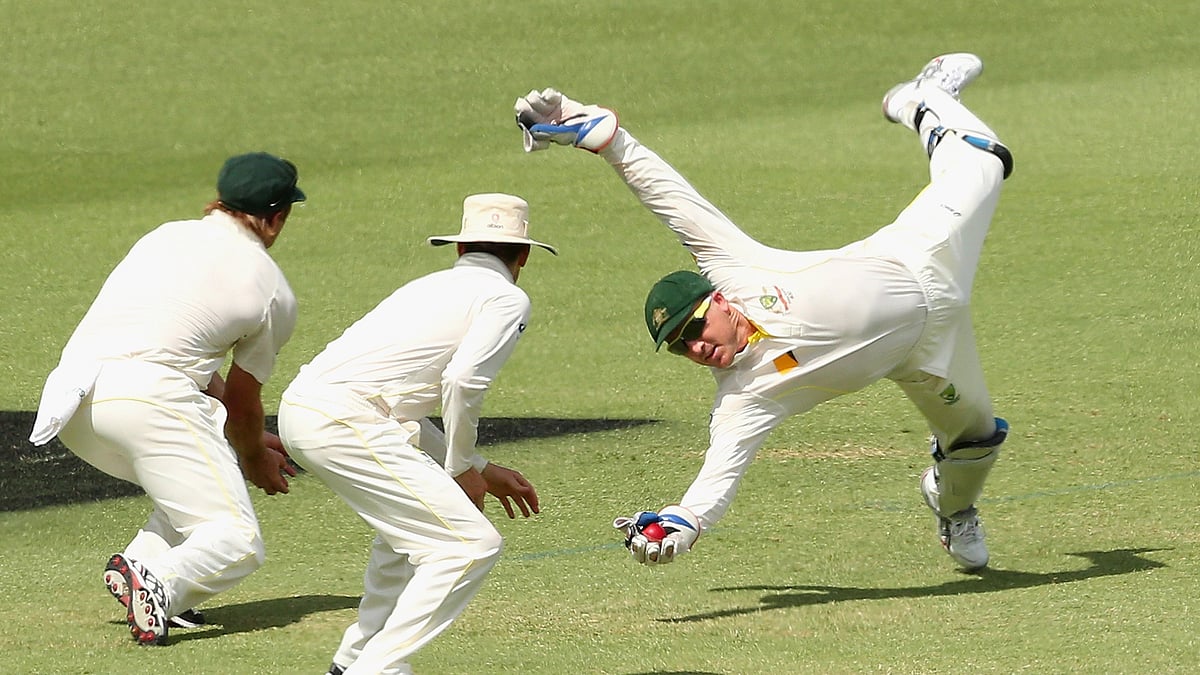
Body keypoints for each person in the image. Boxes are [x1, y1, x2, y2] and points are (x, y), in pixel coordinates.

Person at [514, 53, 1013, 572]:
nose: (696, 347)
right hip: (929, 354)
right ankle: (954, 509)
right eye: (682, 346)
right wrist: (684, 519)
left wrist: (609, 141)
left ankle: (922, 98)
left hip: (919, 253)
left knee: (987, 159)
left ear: (720, 301)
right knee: (976, 439)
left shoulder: (735, 269)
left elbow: (671, 199)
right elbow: (719, 472)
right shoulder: (744, 399)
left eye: (695, 327)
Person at [29, 152, 304, 644]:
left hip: (71, 402)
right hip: (150, 401)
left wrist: (245, 440)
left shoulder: (163, 235)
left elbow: (182, 354)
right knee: (238, 541)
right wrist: (255, 454)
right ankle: (161, 586)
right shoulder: (272, 289)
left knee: (200, 480)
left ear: (218, 202)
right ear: (277, 217)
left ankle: (144, 562)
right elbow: (241, 403)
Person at [278, 193, 547, 675]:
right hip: (345, 418)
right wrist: (462, 467)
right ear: (522, 255)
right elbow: (464, 381)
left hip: (304, 410)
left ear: (460, 249)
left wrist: (478, 466)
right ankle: (374, 670)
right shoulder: (507, 297)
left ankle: (352, 661)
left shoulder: (428, 286)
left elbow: (398, 407)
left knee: (406, 538)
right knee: (469, 546)